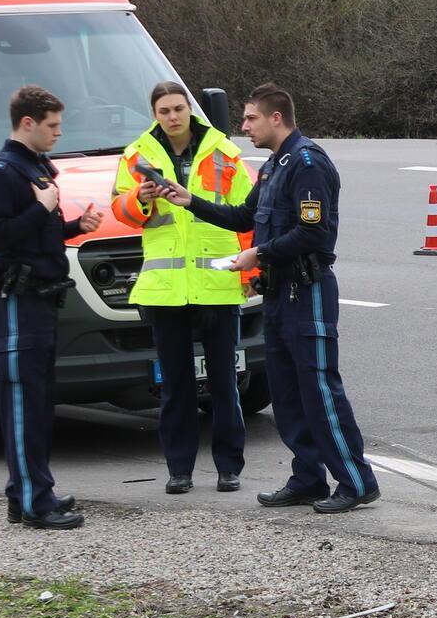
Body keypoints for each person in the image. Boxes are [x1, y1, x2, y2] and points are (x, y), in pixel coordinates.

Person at [161, 83, 379, 514]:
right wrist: (191, 202)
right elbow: (244, 216)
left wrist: (258, 253)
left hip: (307, 290)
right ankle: (308, 479)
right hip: (279, 292)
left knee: (319, 389)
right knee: (288, 393)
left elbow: (312, 232)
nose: (244, 127)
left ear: (275, 118)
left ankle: (356, 481)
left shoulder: (307, 164)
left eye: (250, 119)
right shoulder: (272, 167)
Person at [113, 83, 253, 495]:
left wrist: (246, 277)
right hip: (167, 289)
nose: (172, 117)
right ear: (154, 114)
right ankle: (180, 470)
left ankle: (229, 467)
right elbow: (120, 211)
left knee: (225, 382)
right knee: (175, 386)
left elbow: (245, 216)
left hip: (216, 283)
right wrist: (140, 197)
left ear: (189, 109)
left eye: (177, 109)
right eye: (163, 111)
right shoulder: (137, 156)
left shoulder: (224, 152)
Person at [0, 85, 101, 529]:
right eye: (52, 125)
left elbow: (34, 236)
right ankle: (33, 503)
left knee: (39, 397)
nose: (58, 133)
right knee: (24, 401)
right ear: (27, 123)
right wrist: (42, 207)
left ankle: (31, 491)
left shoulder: (35, 168)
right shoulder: (3, 172)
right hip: (16, 301)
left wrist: (69, 225)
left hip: (41, 297)